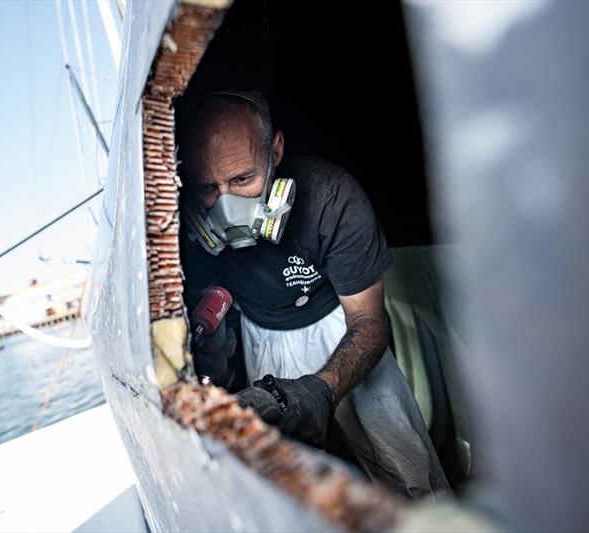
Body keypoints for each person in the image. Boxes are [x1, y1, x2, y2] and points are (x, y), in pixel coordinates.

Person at [178, 91, 450, 499]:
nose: (225, 205)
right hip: (260, 333)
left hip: (340, 323)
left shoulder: (332, 199)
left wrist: (318, 391)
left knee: (407, 472)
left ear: (276, 150)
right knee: (290, 485)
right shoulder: (185, 231)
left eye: (242, 180)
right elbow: (207, 315)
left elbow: (369, 322)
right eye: (208, 188)